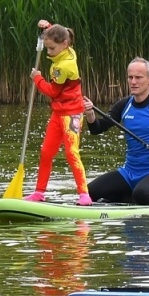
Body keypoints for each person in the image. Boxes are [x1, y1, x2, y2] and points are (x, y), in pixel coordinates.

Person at [83, 57, 149, 206]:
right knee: (88, 193)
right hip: (129, 173)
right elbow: (97, 128)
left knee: (142, 193)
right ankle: (130, 197)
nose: (133, 82)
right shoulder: (124, 105)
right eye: (130, 77)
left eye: (138, 77)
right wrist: (89, 113)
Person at [27, 20, 91, 205]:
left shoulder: (63, 66)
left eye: (52, 49)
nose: (48, 53)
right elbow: (59, 32)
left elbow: (52, 92)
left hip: (72, 114)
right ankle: (39, 192)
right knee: (46, 152)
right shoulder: (68, 47)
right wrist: (47, 27)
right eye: (46, 48)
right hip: (58, 113)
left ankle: (84, 195)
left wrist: (37, 78)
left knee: (71, 153)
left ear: (64, 45)